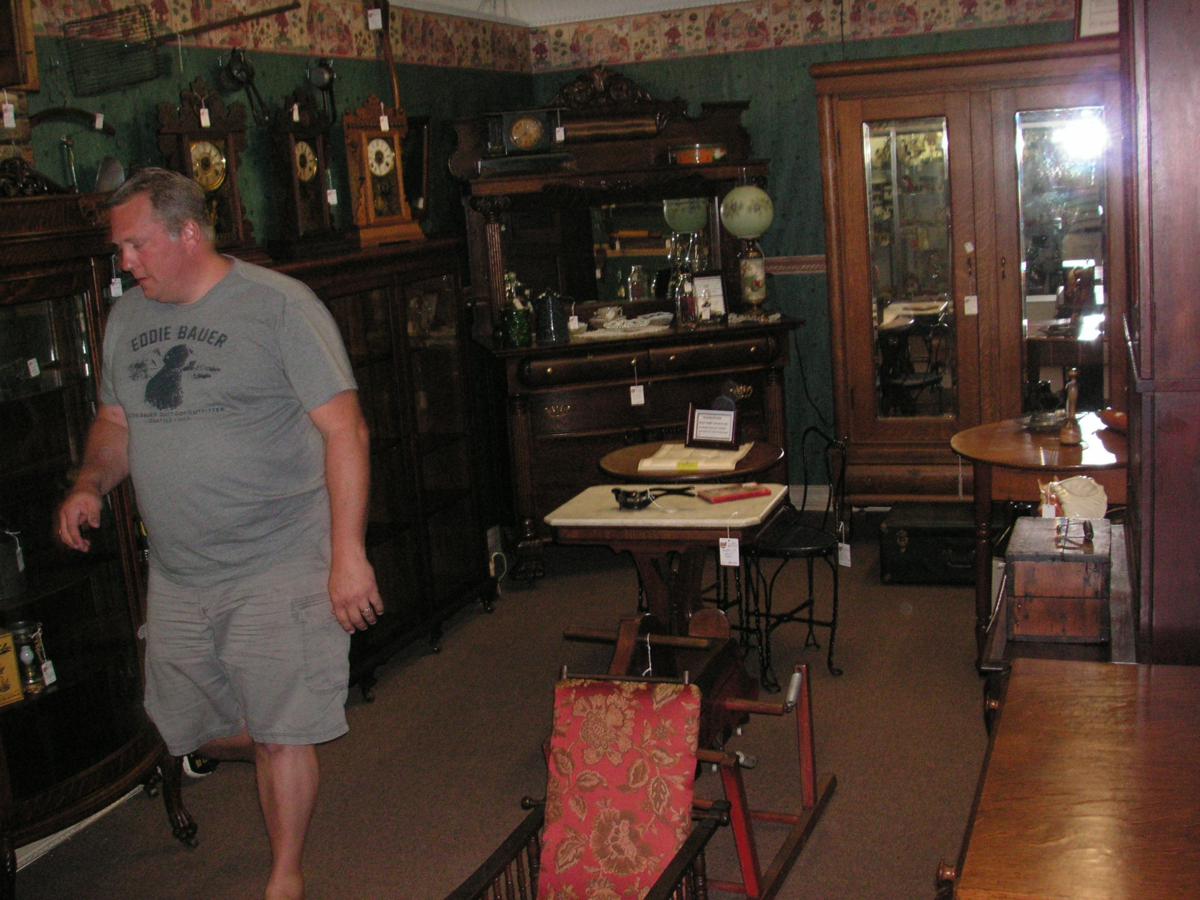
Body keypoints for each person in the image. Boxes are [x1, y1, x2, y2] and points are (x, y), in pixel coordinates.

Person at [57, 167, 382, 900]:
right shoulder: (126, 319)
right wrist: (89, 484)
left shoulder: (279, 307)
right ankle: (277, 731)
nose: (124, 263)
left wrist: (347, 555)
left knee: (281, 731)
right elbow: (115, 421)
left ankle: (284, 876)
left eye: (135, 245)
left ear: (187, 233)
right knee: (187, 727)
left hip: (280, 556)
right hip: (180, 570)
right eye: (118, 250)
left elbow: (347, 431)